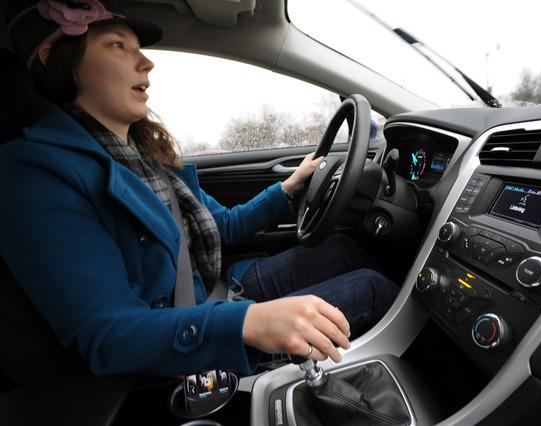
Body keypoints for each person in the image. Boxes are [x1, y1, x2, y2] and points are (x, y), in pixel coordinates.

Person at [0, 0, 399, 378]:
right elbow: (108, 334)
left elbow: (223, 225)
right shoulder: (34, 172)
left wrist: (288, 187)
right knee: (372, 291)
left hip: (219, 293)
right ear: (57, 60)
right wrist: (246, 322)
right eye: (118, 46)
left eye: (138, 49)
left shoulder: (143, 155)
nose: (147, 62)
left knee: (342, 249)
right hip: (180, 352)